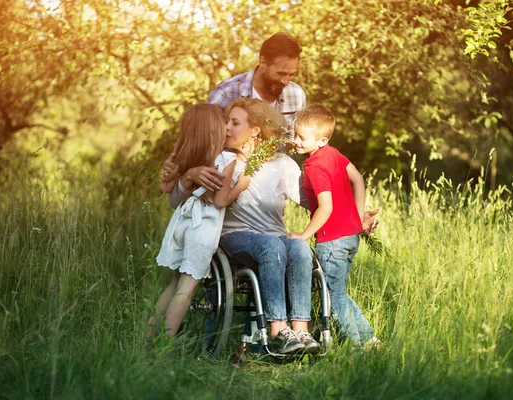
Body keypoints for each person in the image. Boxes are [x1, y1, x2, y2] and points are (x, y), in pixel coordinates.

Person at [168, 98, 320, 354]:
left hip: (274, 238)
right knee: (273, 245)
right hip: (235, 239)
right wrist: (187, 174)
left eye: (234, 122)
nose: (226, 127)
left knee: (299, 246)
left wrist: (354, 217)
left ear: (255, 130)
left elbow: (313, 202)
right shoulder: (222, 161)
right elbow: (180, 197)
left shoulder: (282, 165)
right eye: (226, 121)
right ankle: (278, 331)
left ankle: (301, 331)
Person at [148, 104, 250, 338]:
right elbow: (221, 201)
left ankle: (147, 339)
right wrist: (241, 186)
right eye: (223, 124)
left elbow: (166, 188)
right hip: (202, 229)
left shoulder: (189, 158)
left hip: (181, 224)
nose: (227, 128)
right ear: (212, 130)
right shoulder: (226, 158)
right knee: (186, 291)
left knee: (173, 285)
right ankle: (164, 345)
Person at [162, 32, 306, 192]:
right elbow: (201, 141)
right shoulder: (226, 92)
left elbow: (291, 144)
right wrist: (180, 165)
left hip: (270, 191)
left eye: (291, 74)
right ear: (262, 62)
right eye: (280, 73)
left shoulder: (296, 95)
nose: (285, 81)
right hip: (223, 185)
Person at [289, 104, 382, 349]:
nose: (295, 140)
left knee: (332, 295)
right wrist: (359, 215)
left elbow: (325, 207)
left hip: (332, 241)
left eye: (302, 137)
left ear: (322, 140)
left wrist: (303, 235)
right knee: (337, 291)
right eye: (295, 133)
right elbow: (358, 179)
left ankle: (360, 345)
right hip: (350, 237)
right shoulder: (333, 153)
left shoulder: (314, 166)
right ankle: (369, 339)